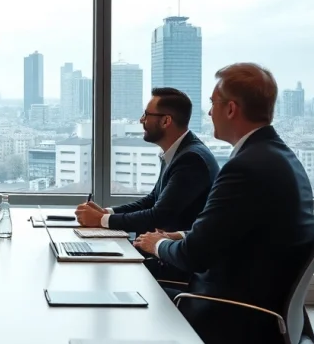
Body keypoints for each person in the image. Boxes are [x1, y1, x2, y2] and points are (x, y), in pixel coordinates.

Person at [132, 63, 314, 344]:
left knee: (134, 296)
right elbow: (239, 233)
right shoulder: (278, 156)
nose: (209, 113)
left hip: (234, 317)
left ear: (231, 109)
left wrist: (156, 245)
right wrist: (178, 235)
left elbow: (194, 257)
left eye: (213, 104)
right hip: (261, 311)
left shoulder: (246, 167)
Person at [75, 87, 219, 283]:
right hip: (162, 255)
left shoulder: (191, 159)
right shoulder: (179, 152)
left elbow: (159, 215)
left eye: (146, 114)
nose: (141, 120)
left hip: (176, 266)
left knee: (99, 274)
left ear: (166, 121)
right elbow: (152, 200)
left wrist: (101, 221)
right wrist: (106, 213)